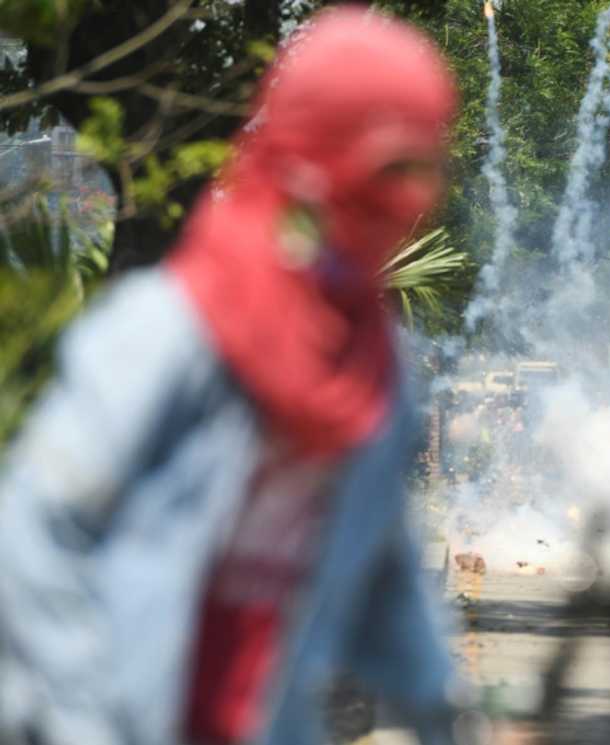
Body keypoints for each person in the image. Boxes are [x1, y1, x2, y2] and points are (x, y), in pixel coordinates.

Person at [0, 8, 468, 745]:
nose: (407, 200)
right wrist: (83, 724)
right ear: (313, 151)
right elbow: (33, 533)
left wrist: (446, 715)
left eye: (424, 167)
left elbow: (384, 568)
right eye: (386, 168)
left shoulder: (375, 370)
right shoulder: (170, 330)